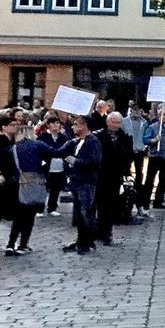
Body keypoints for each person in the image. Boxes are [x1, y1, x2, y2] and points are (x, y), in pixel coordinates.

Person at [6, 123, 48, 255]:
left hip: (16, 184)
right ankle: (23, 244)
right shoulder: (37, 146)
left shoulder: (12, 148)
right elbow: (52, 154)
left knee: (18, 217)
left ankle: (10, 244)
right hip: (31, 184)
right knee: (29, 216)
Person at [63, 116, 101, 255]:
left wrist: (76, 161)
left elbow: (95, 160)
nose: (73, 127)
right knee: (79, 213)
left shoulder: (93, 141)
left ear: (84, 126)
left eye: (75, 124)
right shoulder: (79, 141)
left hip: (86, 181)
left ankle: (87, 242)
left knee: (86, 212)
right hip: (77, 180)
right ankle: (81, 240)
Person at [94, 113, 132, 246]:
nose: (116, 125)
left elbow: (128, 156)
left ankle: (107, 232)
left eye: (118, 123)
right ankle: (99, 230)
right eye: (114, 122)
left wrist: (126, 172)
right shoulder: (98, 136)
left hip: (116, 176)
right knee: (100, 204)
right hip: (101, 175)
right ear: (108, 122)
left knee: (110, 205)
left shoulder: (125, 138)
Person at [141, 107, 165, 213]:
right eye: (164, 115)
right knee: (150, 179)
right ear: (159, 116)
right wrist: (154, 140)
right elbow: (145, 140)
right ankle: (146, 201)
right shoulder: (153, 127)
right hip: (155, 157)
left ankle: (158, 201)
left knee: (163, 181)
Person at [0, 116, 21, 250]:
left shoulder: (12, 141)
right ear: (3, 127)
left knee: (2, 210)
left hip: (10, 180)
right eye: (12, 125)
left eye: (16, 124)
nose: (15, 127)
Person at [39, 116, 69, 216]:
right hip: (46, 166)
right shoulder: (43, 137)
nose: (56, 125)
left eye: (57, 123)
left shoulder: (63, 137)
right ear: (48, 125)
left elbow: (67, 150)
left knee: (55, 188)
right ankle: (39, 209)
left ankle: (52, 208)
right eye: (53, 123)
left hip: (59, 166)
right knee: (43, 188)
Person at [123, 105, 149, 190]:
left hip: (140, 150)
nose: (136, 112)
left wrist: (145, 146)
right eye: (135, 110)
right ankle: (127, 187)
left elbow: (146, 136)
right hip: (128, 149)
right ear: (131, 111)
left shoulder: (144, 123)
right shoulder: (124, 121)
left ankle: (138, 188)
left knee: (139, 171)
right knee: (126, 169)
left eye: (138, 110)